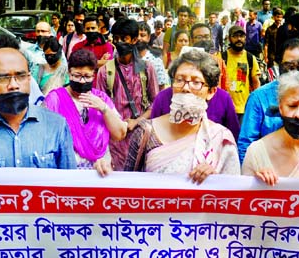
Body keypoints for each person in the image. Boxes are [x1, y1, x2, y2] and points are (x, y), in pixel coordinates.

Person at [124, 50, 240, 182]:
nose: (186, 88)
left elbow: (232, 191)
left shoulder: (221, 138)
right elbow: (127, 185)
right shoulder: (146, 132)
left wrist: (214, 179)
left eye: (196, 82)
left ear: (211, 92)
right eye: (179, 80)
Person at [0, 47, 76, 169]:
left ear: (29, 79)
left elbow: (71, 184)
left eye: (20, 76)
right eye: (2, 78)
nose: (13, 85)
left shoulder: (56, 126)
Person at [238, 39, 299, 163]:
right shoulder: (259, 98)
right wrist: (253, 174)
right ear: (279, 66)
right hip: (266, 176)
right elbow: (246, 145)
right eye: (289, 66)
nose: (295, 71)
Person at [43, 49, 126, 173]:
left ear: (94, 75)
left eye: (87, 76)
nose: (82, 81)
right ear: (69, 74)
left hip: (100, 170)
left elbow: (119, 134)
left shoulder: (101, 99)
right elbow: (45, 138)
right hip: (67, 172)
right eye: (77, 75)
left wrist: (104, 109)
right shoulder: (55, 99)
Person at [94, 18, 159, 171]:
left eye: (124, 39)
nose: (119, 42)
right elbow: (99, 108)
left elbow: (155, 104)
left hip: (142, 136)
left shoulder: (146, 68)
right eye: (116, 39)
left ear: (134, 40)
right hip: (114, 139)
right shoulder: (105, 71)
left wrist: (136, 122)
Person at [222, 25, 260, 123]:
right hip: (225, 108)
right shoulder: (222, 57)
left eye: (241, 36)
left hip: (244, 109)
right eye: (235, 36)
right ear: (229, 38)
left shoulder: (250, 58)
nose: (239, 39)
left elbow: (256, 83)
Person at [137, 21, 169, 89]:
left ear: (148, 38)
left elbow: (161, 89)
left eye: (142, 35)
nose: (139, 38)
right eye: (136, 36)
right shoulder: (126, 58)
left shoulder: (156, 61)